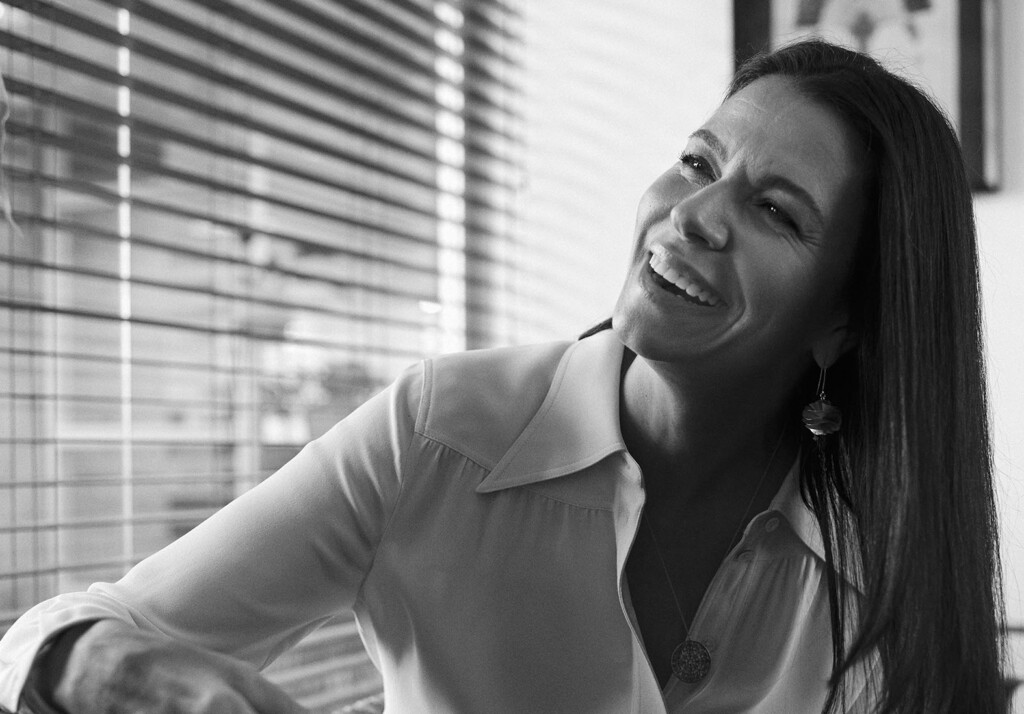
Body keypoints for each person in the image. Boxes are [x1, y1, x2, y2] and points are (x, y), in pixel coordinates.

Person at [0, 39, 1006, 713]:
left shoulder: (882, 560)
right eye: (699, 165)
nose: (693, 216)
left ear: (843, 320)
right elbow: (66, 632)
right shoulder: (439, 430)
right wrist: (118, 668)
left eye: (776, 211)